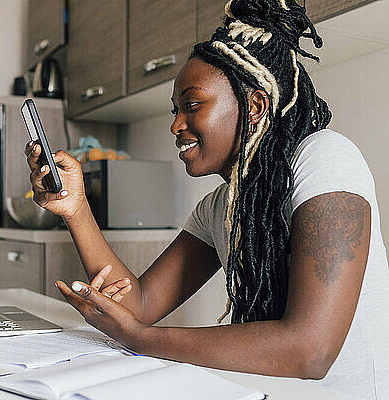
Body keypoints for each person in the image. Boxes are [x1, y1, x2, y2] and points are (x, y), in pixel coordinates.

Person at [24, 0, 388, 398]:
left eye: (192, 105)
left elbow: (311, 351)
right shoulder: (219, 207)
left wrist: (142, 339)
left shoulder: (324, 158)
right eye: (176, 110)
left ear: (254, 106)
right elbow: (139, 304)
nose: (176, 124)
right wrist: (75, 208)